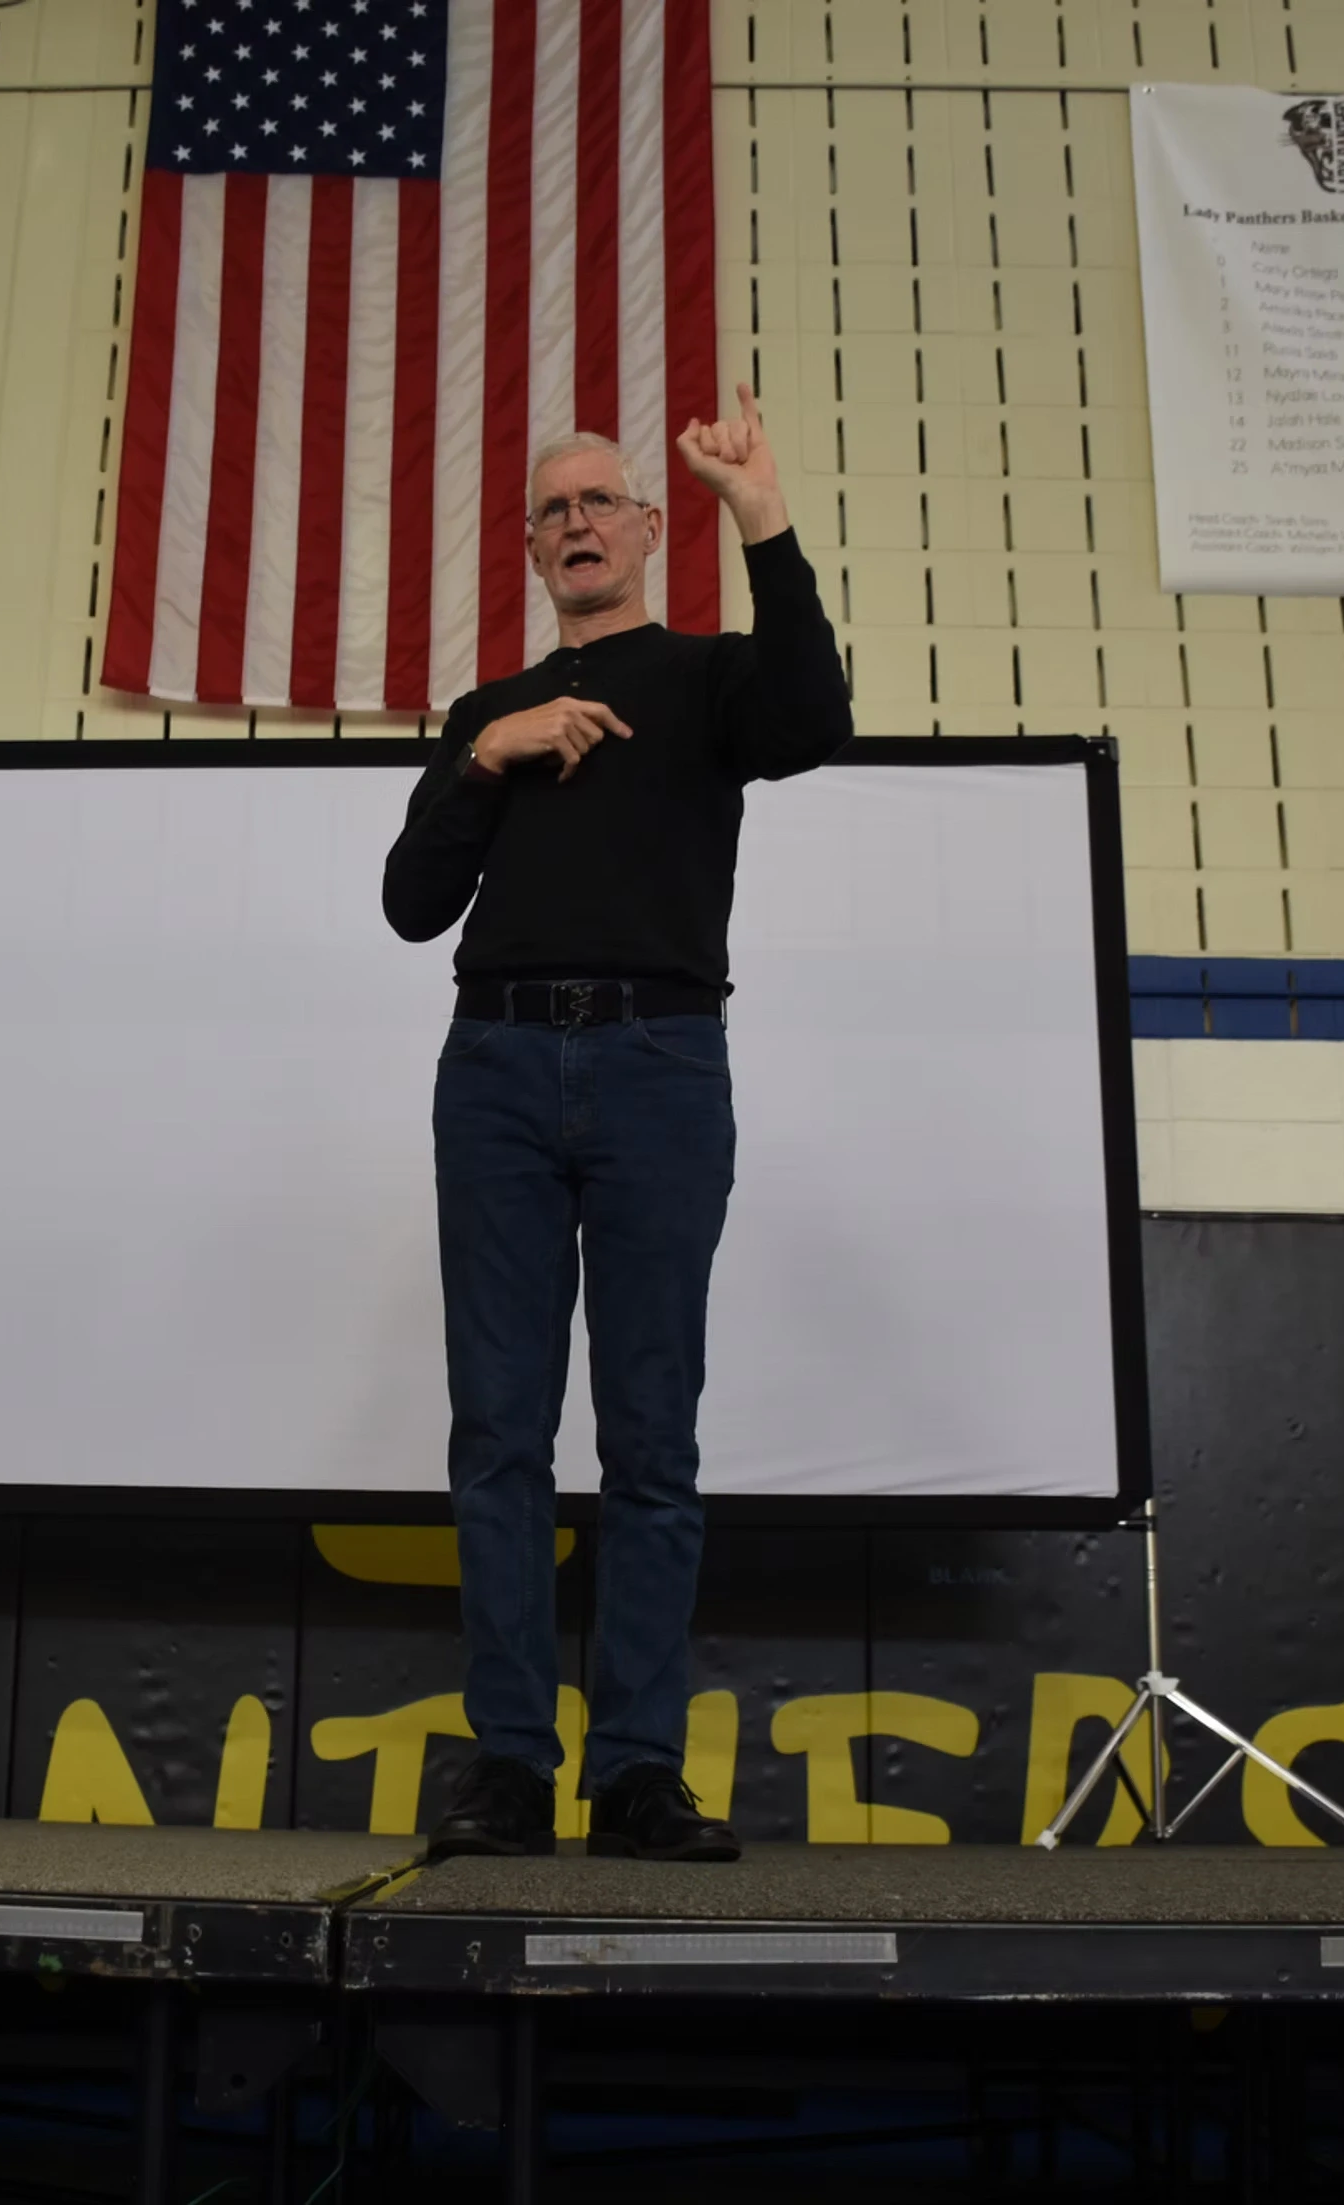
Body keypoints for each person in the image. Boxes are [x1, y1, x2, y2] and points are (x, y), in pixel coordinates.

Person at [380, 387, 854, 1862]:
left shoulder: (712, 681)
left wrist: (760, 513)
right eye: (554, 509)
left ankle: (638, 1769)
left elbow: (815, 723)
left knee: (652, 1437)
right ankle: (512, 1765)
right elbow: (411, 907)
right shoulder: (488, 719)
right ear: (531, 550)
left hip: (659, 1065)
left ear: (649, 532)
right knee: (500, 1436)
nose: (579, 522)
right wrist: (487, 759)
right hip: (501, 1071)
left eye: (603, 502)